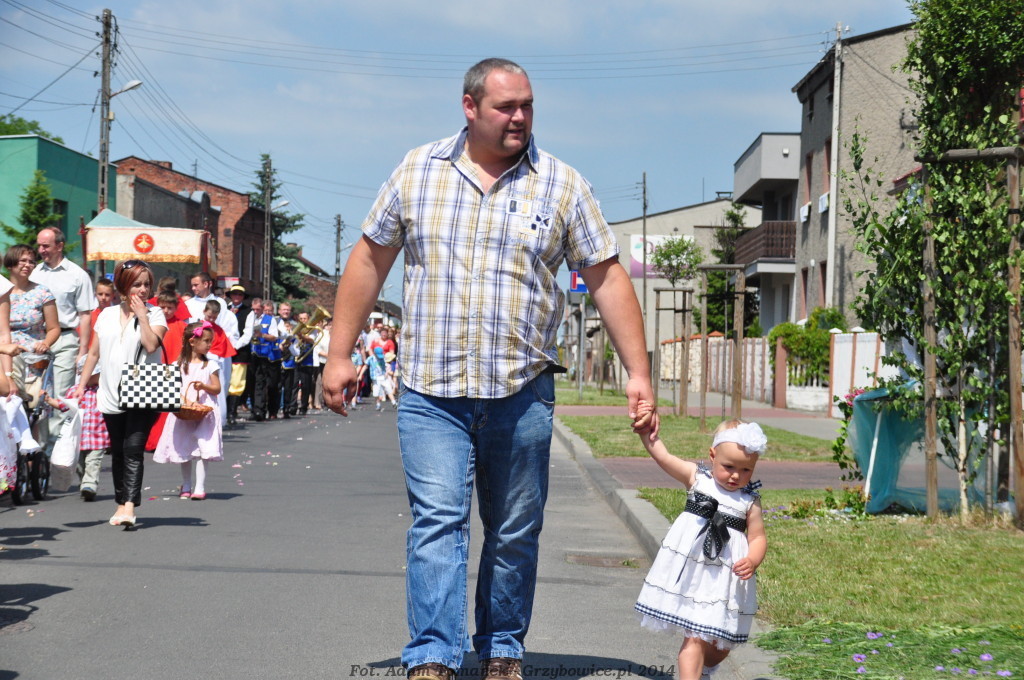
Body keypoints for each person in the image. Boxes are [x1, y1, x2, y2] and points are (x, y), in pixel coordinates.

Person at [323, 58, 657, 680]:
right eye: (507, 107)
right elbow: (370, 259)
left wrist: (638, 372)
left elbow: (607, 277)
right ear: (470, 107)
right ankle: (431, 656)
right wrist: (339, 354)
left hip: (521, 390)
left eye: (527, 105)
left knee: (512, 530)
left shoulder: (562, 185)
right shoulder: (417, 171)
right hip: (432, 391)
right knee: (438, 523)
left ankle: (502, 649)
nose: (520, 117)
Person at [633, 406, 768, 680]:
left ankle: (707, 668)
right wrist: (647, 435)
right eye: (729, 467)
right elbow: (664, 457)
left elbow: (757, 537)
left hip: (724, 579)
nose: (736, 476)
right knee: (694, 636)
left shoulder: (749, 501)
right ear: (712, 455)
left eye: (746, 470)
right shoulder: (698, 479)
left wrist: (753, 559)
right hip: (693, 574)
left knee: (721, 644)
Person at [76, 259, 167, 529]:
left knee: (133, 448)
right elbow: (94, 353)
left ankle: (129, 506)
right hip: (110, 390)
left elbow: (151, 346)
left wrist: (142, 316)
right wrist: (81, 385)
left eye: (147, 285)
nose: (143, 290)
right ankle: (120, 502)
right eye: (137, 284)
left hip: (144, 389)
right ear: (123, 286)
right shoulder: (105, 315)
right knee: (117, 450)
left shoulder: (156, 314)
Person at [32, 227, 95, 439]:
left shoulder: (77, 275)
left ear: (59, 246)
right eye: (39, 246)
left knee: (61, 393)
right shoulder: (34, 273)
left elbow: (85, 315)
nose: (41, 250)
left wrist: (82, 351)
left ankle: (55, 448)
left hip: (66, 339)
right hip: (38, 338)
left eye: (46, 246)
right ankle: (40, 447)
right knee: (37, 393)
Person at [152, 321, 223, 501]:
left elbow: (217, 388)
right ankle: (186, 484)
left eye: (210, 341)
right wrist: (183, 400)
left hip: (205, 411)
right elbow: (172, 388)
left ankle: (200, 486)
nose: (209, 344)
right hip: (184, 410)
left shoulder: (210, 365)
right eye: (206, 341)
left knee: (202, 448)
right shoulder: (178, 364)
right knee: (184, 447)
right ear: (192, 342)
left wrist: (204, 386)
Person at [5, 245, 60, 403]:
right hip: (6, 356)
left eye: (31, 262)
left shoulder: (42, 292)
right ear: (10, 264)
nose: (27, 265)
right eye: (23, 261)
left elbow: (54, 328)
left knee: (34, 405)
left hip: (33, 357)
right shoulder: (2, 292)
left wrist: (45, 343)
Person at [250, 300, 283, 421]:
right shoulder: (251, 318)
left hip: (269, 356)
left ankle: (272, 410)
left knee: (272, 385)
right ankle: (259, 410)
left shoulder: (271, 320)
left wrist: (262, 335)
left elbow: (274, 337)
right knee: (258, 383)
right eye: (253, 309)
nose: (255, 311)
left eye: (258, 309)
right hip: (256, 355)